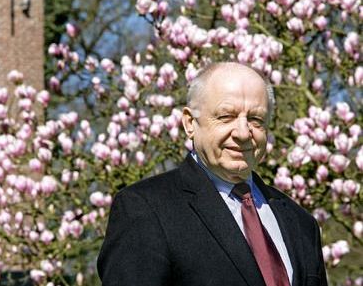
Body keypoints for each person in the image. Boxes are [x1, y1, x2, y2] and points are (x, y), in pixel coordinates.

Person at [97, 62, 328, 286]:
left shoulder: (301, 223)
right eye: (226, 116)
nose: (242, 133)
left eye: (256, 119)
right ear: (190, 123)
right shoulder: (146, 209)